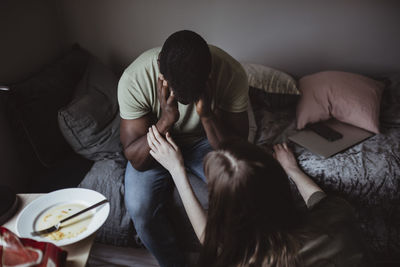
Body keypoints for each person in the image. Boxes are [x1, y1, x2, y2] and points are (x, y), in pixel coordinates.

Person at [147, 126, 372, 267]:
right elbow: (318, 198)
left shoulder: (241, 259)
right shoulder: (339, 213)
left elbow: (210, 240)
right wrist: (292, 169)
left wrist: (177, 170)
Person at [118, 30, 249, 266]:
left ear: (209, 74)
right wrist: (166, 119)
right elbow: (136, 158)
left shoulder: (231, 73)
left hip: (203, 141)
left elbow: (237, 151)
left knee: (238, 189)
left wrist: (207, 116)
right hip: (158, 141)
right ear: (160, 68)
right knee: (139, 206)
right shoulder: (134, 78)